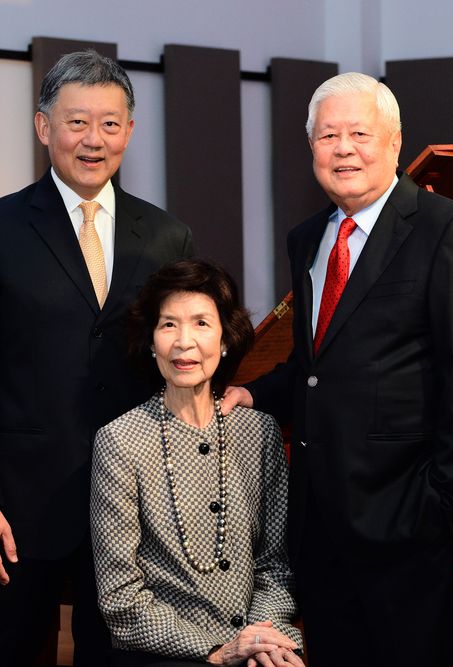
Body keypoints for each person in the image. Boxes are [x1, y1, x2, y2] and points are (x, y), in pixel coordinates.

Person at [223, 72, 453, 666]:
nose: (343, 149)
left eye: (359, 133)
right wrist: (253, 394)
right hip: (320, 527)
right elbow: (317, 365)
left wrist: (444, 512)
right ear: (311, 148)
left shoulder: (450, 232)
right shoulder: (307, 239)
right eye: (328, 136)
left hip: (409, 527)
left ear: (395, 142)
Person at [0, 50, 194, 666]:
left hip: (135, 503)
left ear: (129, 131)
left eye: (109, 124)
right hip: (23, 505)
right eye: (77, 122)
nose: (93, 140)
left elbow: (180, 366)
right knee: (6, 651)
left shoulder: (168, 236)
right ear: (43, 127)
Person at [91, 258, 305, 667]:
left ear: (225, 339)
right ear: (151, 341)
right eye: (168, 324)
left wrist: (258, 636)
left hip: (258, 637)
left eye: (201, 323)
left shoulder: (260, 431)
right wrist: (214, 651)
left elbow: (277, 566)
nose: (183, 342)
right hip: (166, 650)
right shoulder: (120, 440)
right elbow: (120, 596)